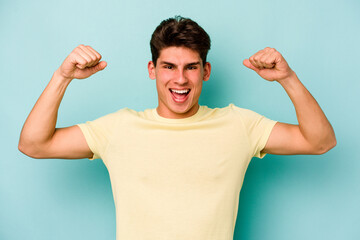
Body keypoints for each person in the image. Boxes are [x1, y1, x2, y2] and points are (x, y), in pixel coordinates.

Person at [18, 16, 336, 240]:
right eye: (169, 67)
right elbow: (33, 144)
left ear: (205, 71)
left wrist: (288, 78)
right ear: (152, 70)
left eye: (191, 68)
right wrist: (62, 77)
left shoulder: (240, 125)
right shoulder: (119, 128)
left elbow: (320, 141)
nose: (180, 79)